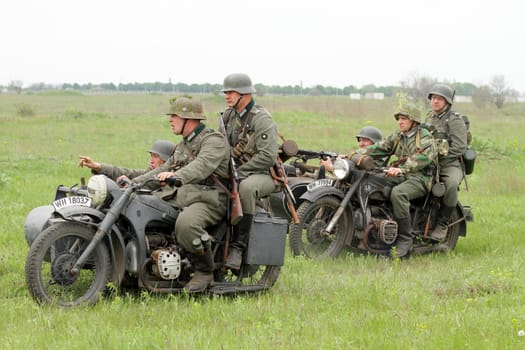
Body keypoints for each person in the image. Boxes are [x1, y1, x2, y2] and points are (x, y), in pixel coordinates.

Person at [127, 96, 230, 293]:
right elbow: (162, 168)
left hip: (209, 199)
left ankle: (204, 271)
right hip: (186, 195)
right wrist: (134, 183)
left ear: (188, 118)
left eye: (174, 115)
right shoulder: (183, 145)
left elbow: (202, 166)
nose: (170, 119)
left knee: (186, 224)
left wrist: (177, 176)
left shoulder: (213, 141)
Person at [220, 73, 280, 270]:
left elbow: (267, 157)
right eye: (226, 92)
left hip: (264, 174)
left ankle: (238, 246)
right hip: (237, 169)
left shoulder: (261, 119)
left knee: (245, 189)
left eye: (230, 92)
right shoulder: (229, 116)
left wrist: (240, 172)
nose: (226, 96)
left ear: (244, 94)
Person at [364, 104, 437, 258]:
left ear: (414, 121)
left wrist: (402, 168)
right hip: (402, 175)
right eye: (399, 119)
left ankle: (405, 238)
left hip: (421, 177)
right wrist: (353, 155)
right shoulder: (399, 136)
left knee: (398, 194)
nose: (400, 122)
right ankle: (382, 227)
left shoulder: (425, 137)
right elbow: (379, 147)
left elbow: (423, 158)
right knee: (375, 184)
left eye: (404, 118)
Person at [425, 84, 467, 242]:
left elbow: (459, 147)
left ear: (447, 102)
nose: (435, 101)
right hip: (429, 162)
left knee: (449, 185)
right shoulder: (430, 118)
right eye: (433, 98)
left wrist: (440, 161)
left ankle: (443, 224)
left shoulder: (454, 120)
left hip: (450, 164)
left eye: (439, 99)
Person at [78, 140, 176, 180]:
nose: (151, 161)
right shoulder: (150, 172)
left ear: (167, 160)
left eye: (156, 156)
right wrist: (98, 166)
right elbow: (127, 173)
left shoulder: (172, 181)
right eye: (151, 156)